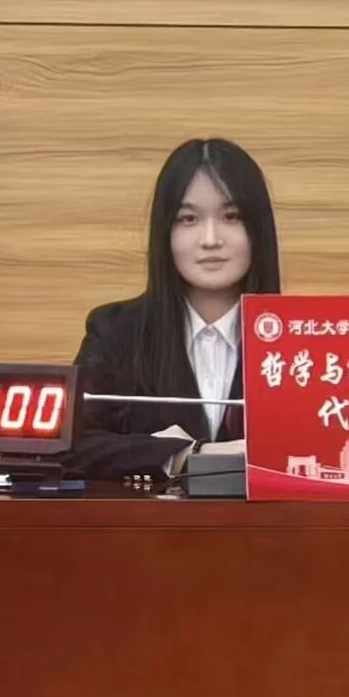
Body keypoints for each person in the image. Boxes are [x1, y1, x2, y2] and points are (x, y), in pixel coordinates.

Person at [65, 138, 281, 480]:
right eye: (188, 219)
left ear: (258, 229)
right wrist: (183, 454)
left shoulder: (305, 336)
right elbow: (71, 445)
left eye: (231, 216)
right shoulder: (116, 331)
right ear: (164, 232)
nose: (210, 239)